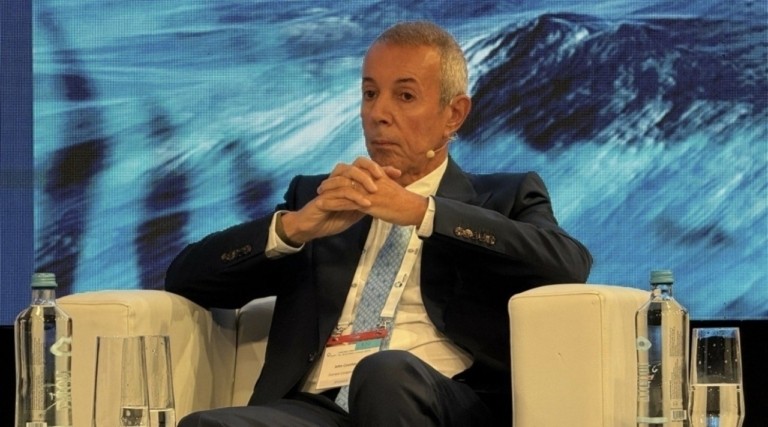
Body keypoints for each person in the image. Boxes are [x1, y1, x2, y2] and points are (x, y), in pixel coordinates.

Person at [165, 20, 592, 427]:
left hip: (442, 403)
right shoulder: (317, 198)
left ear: (454, 114)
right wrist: (294, 228)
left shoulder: (503, 196)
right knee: (206, 423)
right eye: (370, 94)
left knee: (384, 373)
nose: (378, 113)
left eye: (404, 96)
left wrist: (423, 212)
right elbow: (187, 279)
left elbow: (567, 263)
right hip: (319, 409)